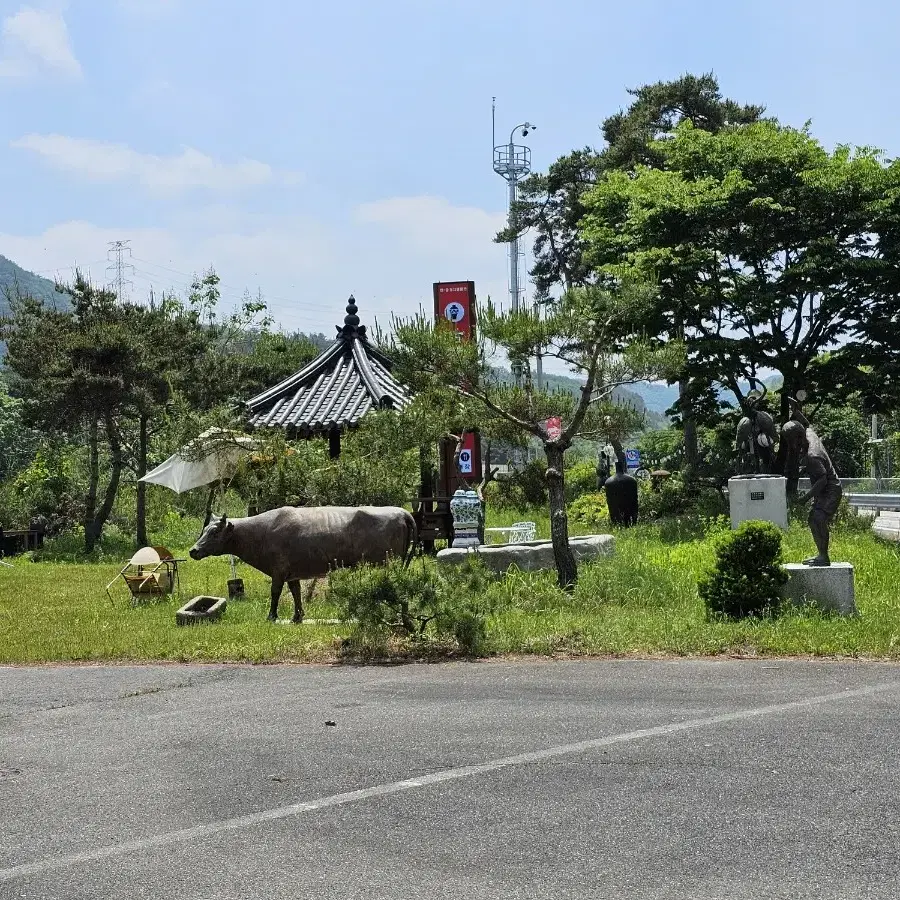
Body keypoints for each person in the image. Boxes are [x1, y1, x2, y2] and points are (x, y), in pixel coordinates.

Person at [784, 401, 842, 566]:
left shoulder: (812, 456)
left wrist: (806, 498)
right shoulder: (809, 434)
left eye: (790, 441)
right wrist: (796, 412)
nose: (790, 445)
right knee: (813, 519)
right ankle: (821, 554)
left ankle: (824, 556)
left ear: (800, 438)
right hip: (825, 489)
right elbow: (807, 424)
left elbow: (823, 480)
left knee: (817, 518)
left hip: (830, 490)